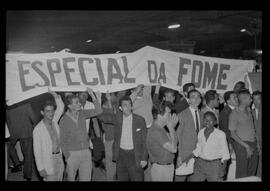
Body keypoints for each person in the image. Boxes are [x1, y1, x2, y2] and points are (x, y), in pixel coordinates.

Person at [59, 88, 102, 181]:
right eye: (77, 102)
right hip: (72, 154)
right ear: (69, 106)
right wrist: (67, 157)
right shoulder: (64, 120)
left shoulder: (82, 113)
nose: (80, 104)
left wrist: (92, 95)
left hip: (86, 152)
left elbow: (99, 111)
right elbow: (62, 140)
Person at [101, 96, 148, 181]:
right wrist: (95, 98)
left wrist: (144, 158)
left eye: (130, 105)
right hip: (121, 155)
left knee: (137, 178)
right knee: (122, 178)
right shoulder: (117, 118)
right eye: (125, 105)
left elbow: (145, 140)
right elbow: (102, 117)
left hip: (135, 154)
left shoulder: (140, 120)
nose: (128, 107)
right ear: (120, 108)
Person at [184, 112, 230, 181]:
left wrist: (223, 169)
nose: (207, 122)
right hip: (200, 164)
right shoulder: (201, 132)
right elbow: (198, 149)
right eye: (205, 119)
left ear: (215, 122)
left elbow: (225, 154)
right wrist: (187, 159)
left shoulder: (220, 134)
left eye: (210, 120)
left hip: (214, 166)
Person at [33, 91, 64, 181]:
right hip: (48, 160)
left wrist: (54, 94)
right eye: (48, 111)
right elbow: (37, 151)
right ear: (42, 112)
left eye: (52, 110)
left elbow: (61, 107)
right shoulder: (38, 129)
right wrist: (40, 168)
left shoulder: (54, 122)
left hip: (59, 158)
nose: (51, 113)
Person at [229, 89, 259, 179]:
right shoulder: (234, 113)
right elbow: (232, 134)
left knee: (252, 172)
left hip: (253, 143)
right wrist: (247, 146)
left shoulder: (249, 110)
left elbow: (252, 128)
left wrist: (256, 142)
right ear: (244, 99)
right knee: (242, 174)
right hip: (242, 145)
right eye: (250, 98)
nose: (251, 100)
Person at [6, 102, 39, 181]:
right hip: (26, 132)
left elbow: (8, 122)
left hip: (13, 133)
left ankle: (17, 164)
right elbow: (34, 119)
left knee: (8, 148)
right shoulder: (26, 105)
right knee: (28, 154)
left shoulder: (8, 107)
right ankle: (28, 175)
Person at [175, 89, 202, 182]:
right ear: (188, 100)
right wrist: (179, 156)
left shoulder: (202, 114)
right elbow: (178, 137)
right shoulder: (182, 114)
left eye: (198, 97)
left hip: (198, 155)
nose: (196, 99)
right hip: (185, 155)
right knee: (180, 179)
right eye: (193, 97)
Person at [146, 102, 178, 181]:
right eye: (168, 114)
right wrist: (171, 128)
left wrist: (171, 128)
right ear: (160, 116)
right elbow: (174, 149)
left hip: (165, 168)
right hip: (161, 170)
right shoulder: (156, 131)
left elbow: (175, 143)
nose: (170, 116)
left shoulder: (161, 128)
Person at [98, 92, 117, 181]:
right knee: (111, 167)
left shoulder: (115, 106)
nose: (115, 97)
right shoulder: (100, 111)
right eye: (113, 95)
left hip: (120, 140)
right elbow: (113, 119)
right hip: (110, 141)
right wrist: (109, 101)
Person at [252, 91, 261, 178]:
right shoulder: (251, 112)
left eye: (258, 99)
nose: (256, 102)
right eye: (254, 99)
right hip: (255, 143)